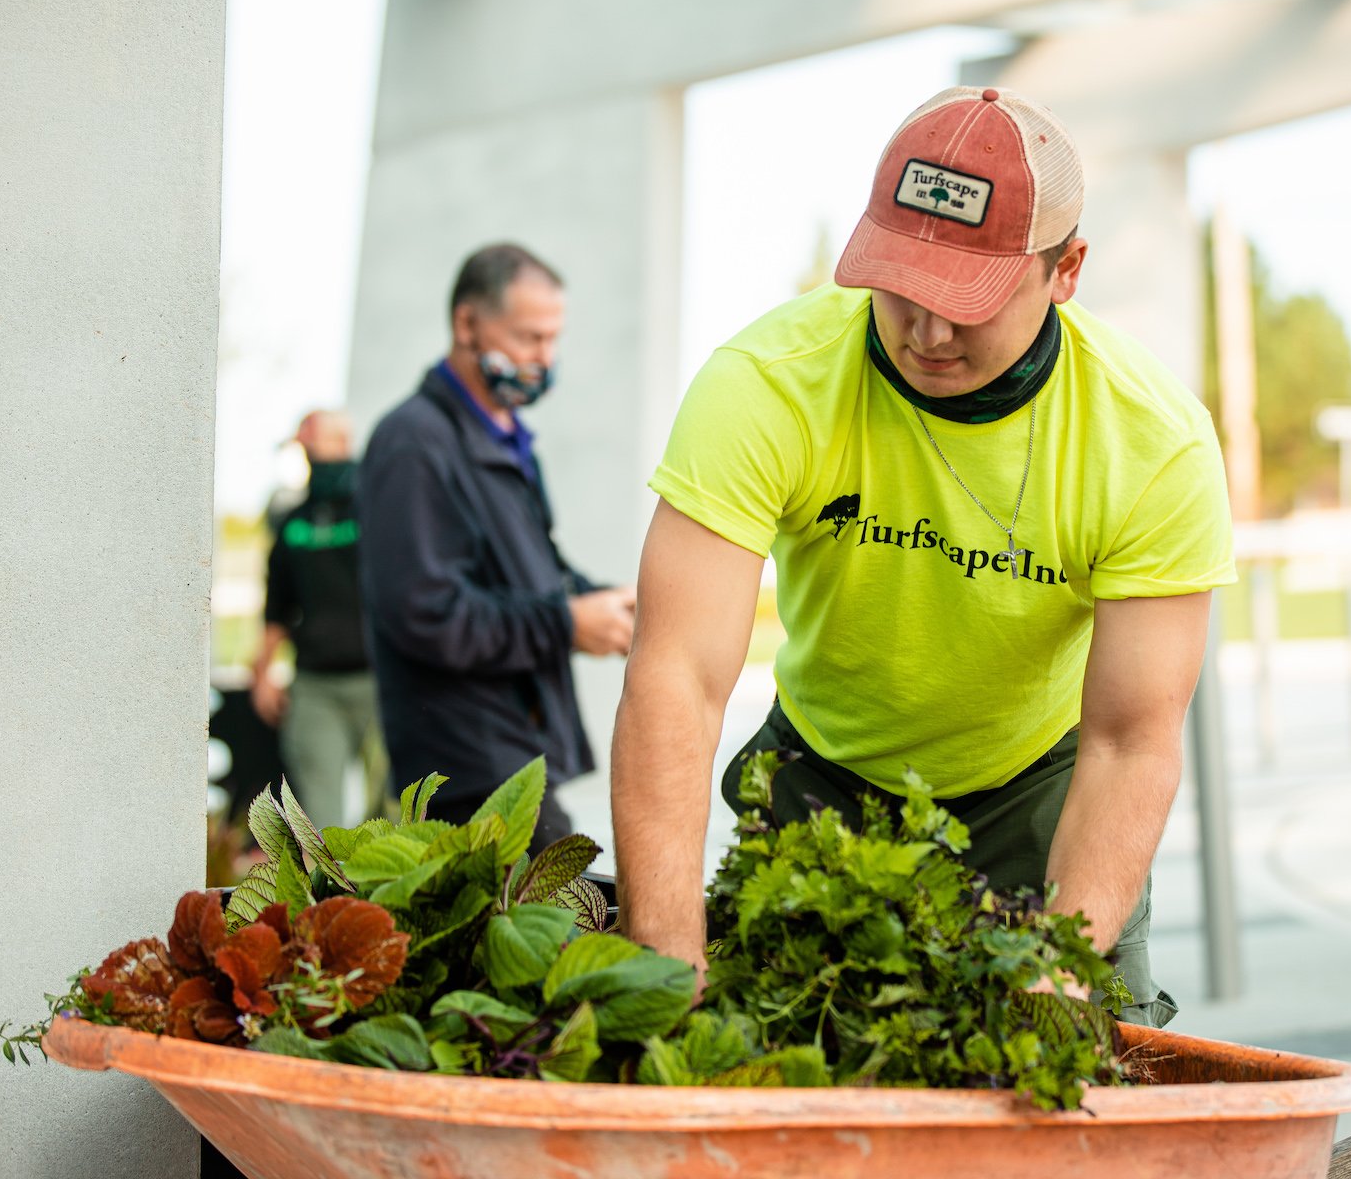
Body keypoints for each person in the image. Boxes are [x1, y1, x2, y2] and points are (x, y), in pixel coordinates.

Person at [611, 87, 1235, 1026]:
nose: (927, 334)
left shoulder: (1155, 444)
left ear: (1066, 269)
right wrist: (666, 954)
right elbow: (678, 679)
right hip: (822, 778)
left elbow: (1129, 740)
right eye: (902, 287)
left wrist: (1057, 969)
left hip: (1039, 785)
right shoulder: (767, 384)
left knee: (1075, 1078)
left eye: (967, 301)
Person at [356, 243, 635, 840]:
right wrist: (565, 624)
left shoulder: (507, 438)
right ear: (466, 323)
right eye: (529, 338)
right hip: (467, 769)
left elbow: (536, 568)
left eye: (553, 339)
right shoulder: (413, 443)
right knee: (569, 917)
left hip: (515, 751)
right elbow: (426, 612)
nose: (544, 358)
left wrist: (607, 601)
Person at [250, 409, 380, 832]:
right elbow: (277, 607)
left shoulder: (376, 508)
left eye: (319, 441)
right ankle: (331, 898)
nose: (312, 453)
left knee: (394, 814)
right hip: (315, 688)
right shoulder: (293, 523)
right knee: (320, 826)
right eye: (306, 444)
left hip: (379, 682)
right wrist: (262, 673)